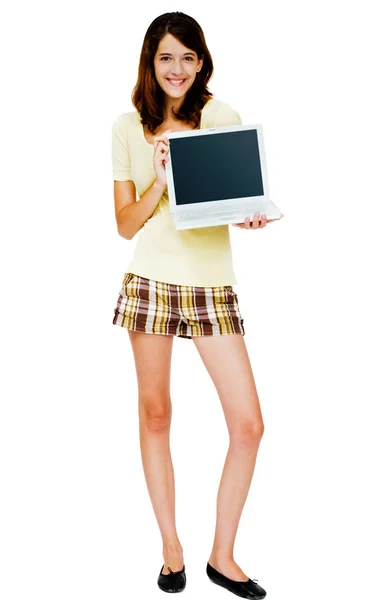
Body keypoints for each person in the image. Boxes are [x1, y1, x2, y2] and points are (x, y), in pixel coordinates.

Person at [111, 11, 280, 598]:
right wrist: (160, 174)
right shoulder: (128, 126)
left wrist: (252, 215)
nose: (177, 68)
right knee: (156, 414)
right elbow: (125, 225)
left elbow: (233, 204)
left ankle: (223, 556)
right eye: (165, 57)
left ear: (202, 61)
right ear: (150, 63)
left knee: (249, 425)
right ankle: (172, 550)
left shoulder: (223, 118)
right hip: (152, 280)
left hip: (211, 284)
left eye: (187, 56)